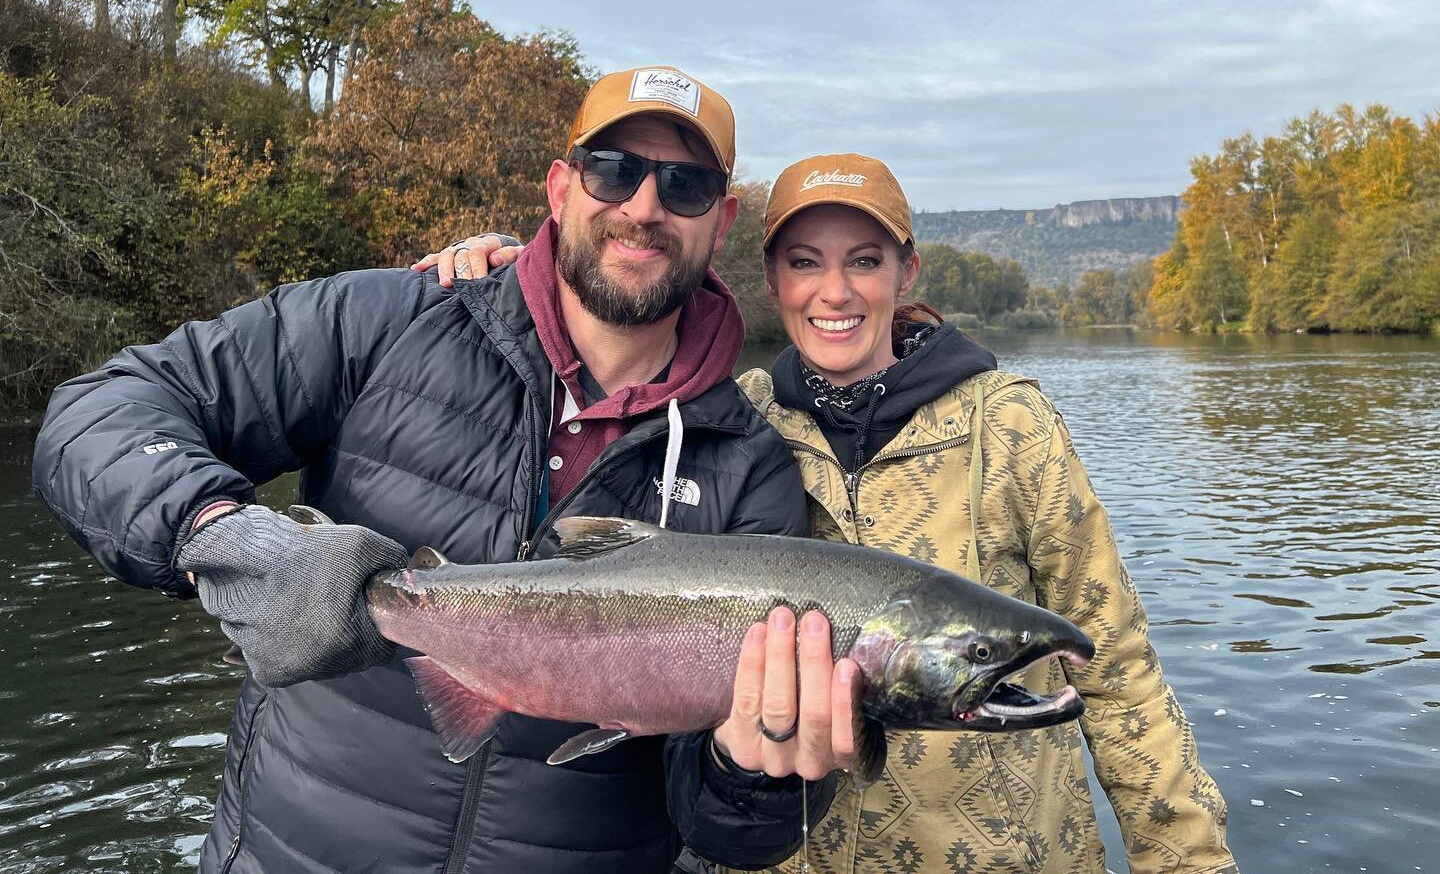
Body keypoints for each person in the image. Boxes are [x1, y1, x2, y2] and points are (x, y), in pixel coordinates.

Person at [31, 66, 862, 874]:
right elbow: (102, 410)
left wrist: (758, 774)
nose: (643, 207)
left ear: (721, 221)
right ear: (561, 187)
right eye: (614, 170)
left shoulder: (751, 468)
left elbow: (727, 834)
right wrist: (218, 530)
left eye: (683, 187)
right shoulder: (389, 318)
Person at [429, 152, 1237, 874]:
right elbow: (589, 360)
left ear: (905, 271)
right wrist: (511, 271)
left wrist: (1191, 862)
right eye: (804, 261)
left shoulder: (1010, 424)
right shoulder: (730, 425)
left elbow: (1119, 672)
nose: (835, 290)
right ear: (773, 276)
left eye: (865, 260)